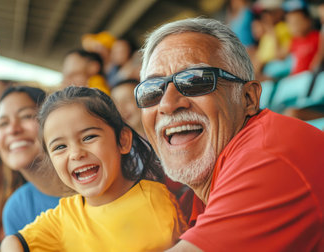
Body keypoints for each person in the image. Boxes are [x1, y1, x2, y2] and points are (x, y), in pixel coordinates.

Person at [135, 17, 324, 251]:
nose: (167, 104)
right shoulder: (192, 193)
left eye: (196, 80)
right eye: (152, 90)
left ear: (249, 99)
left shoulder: (269, 155)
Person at [0, 86, 187, 251]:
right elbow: (12, 243)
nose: (75, 153)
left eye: (88, 137)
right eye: (60, 147)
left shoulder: (157, 195)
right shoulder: (63, 217)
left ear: (122, 141)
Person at [0, 86, 74, 236]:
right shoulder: (17, 209)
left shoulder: (91, 179)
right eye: (3, 123)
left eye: (26, 116)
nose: (13, 129)